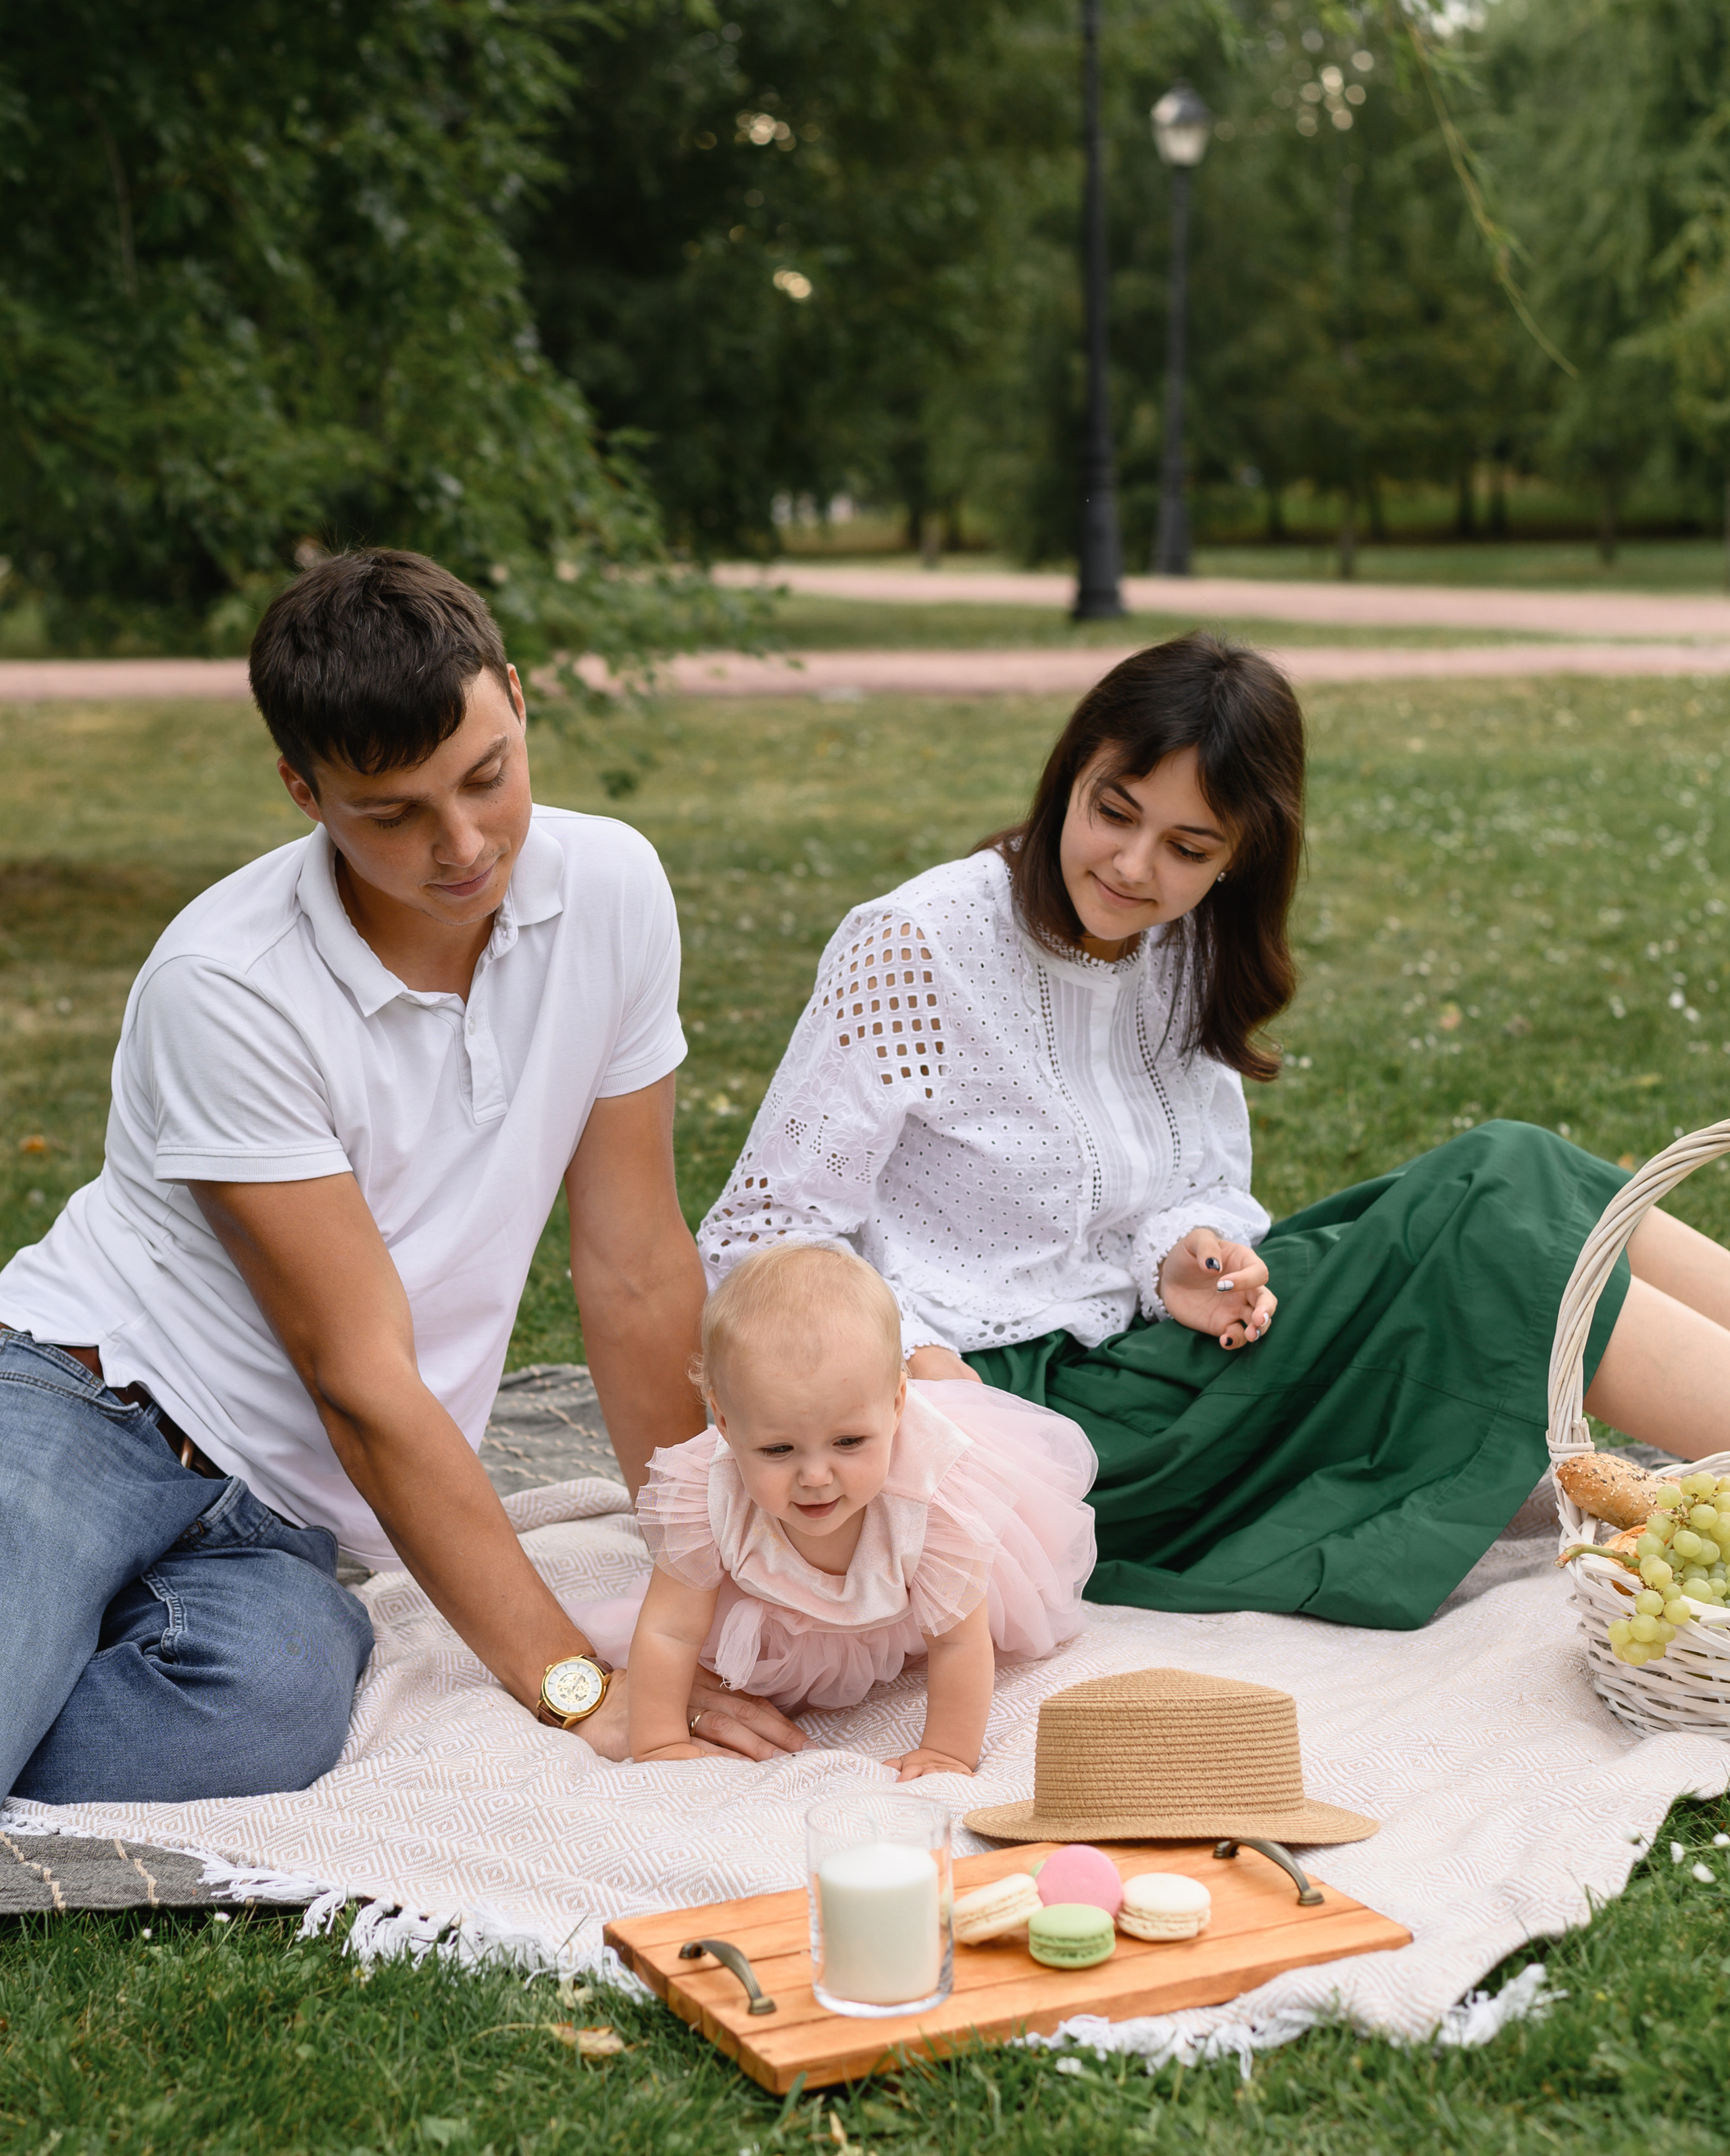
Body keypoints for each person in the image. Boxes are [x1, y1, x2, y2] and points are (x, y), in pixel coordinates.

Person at [700, 631, 1730, 1632]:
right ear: (1069, 773)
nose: (1133, 865)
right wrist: (916, 1363)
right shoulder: (916, 945)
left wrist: (1179, 1258)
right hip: (1013, 1419)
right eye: (1114, 811)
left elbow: (1194, 1185)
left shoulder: (1182, 943)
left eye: (1188, 848)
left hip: (1152, 1350)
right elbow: (761, 1235)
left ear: (1241, 854)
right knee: (1502, 1249)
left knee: (1514, 1160)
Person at [0, 550, 801, 1804]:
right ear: (302, 788)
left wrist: (711, 1573)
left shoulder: (611, 891)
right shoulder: (228, 984)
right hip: (82, 1405)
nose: (463, 843)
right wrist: (577, 1682)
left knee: (263, 1724)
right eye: (393, 813)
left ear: (518, 700)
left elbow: (638, 1266)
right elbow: (360, 1376)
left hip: (279, 1521)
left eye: (487, 775)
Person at [614, 1240, 1097, 1776]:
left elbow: (959, 1642)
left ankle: (881, 1623)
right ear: (725, 1424)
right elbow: (671, 1629)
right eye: (778, 1449)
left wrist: (947, 1751)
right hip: (778, 1603)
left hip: (901, 1585)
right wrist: (658, 1741)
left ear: (897, 1404)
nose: (816, 1477)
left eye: (848, 1442)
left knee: (949, 1615)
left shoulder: (935, 1495)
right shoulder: (707, 1490)